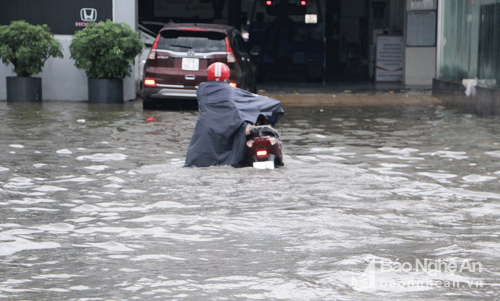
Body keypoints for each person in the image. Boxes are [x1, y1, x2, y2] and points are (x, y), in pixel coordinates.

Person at [184, 62, 283, 167]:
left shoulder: (202, 90)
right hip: (235, 128)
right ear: (227, 76)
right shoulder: (234, 93)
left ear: (208, 75)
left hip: (207, 134)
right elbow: (266, 103)